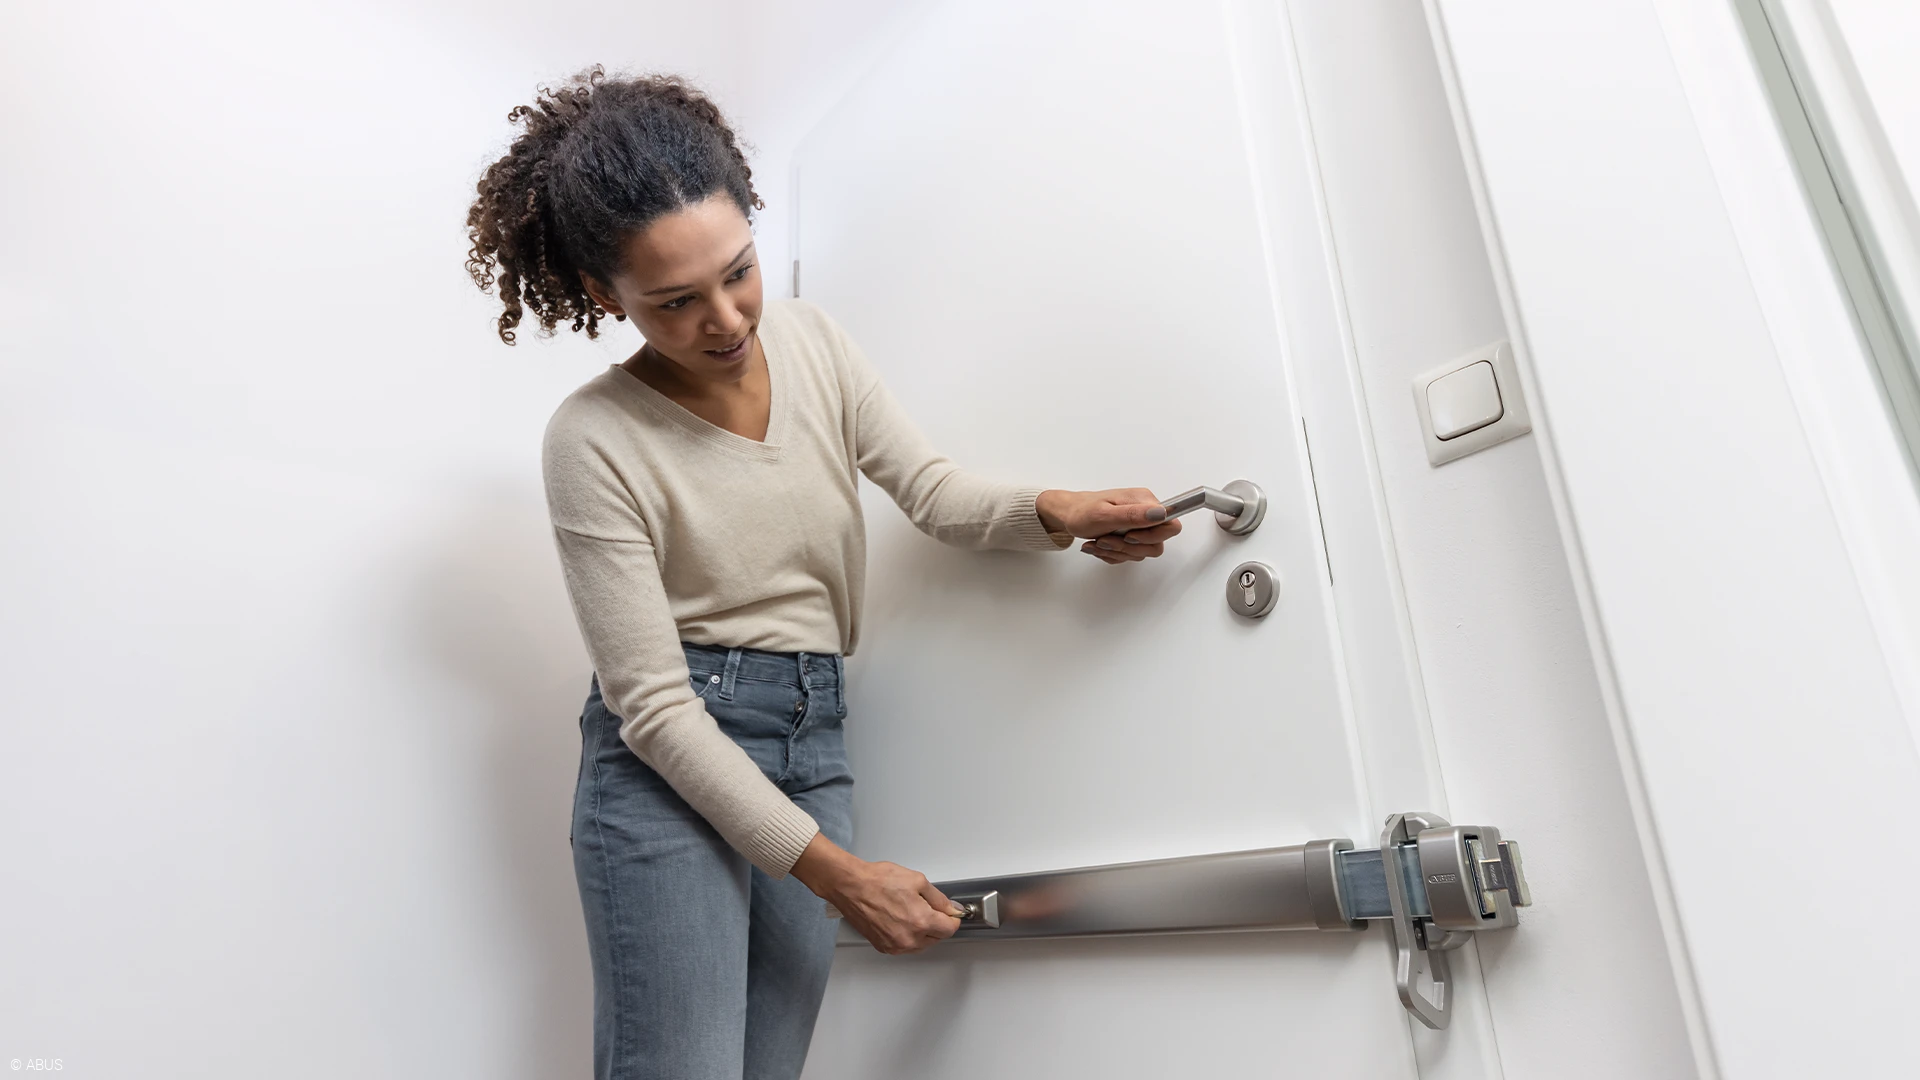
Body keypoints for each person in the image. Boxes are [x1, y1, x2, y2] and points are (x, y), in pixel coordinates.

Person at [465, 67, 1183, 1080]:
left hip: (816, 738)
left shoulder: (813, 343)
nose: (726, 319)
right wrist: (842, 876)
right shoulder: (592, 439)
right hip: (670, 767)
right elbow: (654, 710)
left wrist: (1057, 512)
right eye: (676, 302)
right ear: (602, 294)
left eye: (739, 272)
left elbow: (931, 491)